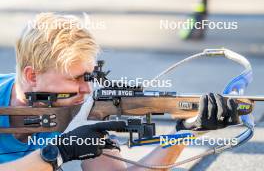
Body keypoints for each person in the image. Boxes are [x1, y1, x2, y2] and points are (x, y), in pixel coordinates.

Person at [0, 13, 239, 171]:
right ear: (32, 76)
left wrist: (184, 135)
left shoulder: (86, 108)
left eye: (90, 77)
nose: (88, 89)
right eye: (75, 79)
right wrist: (58, 153)